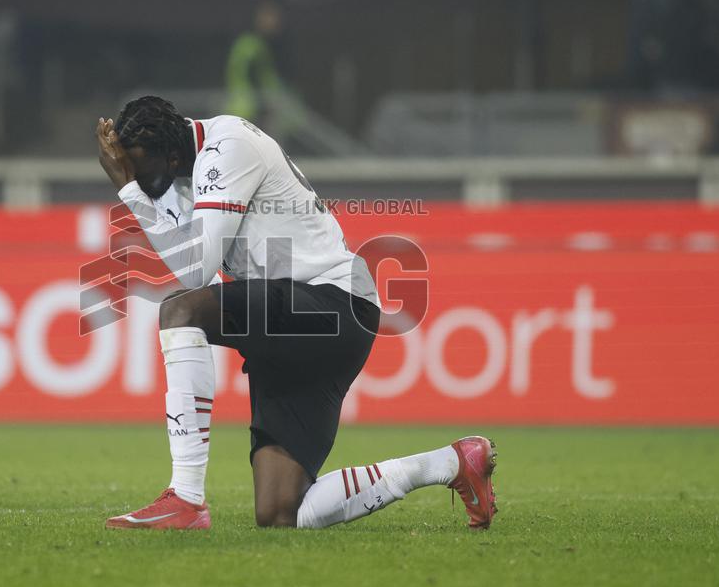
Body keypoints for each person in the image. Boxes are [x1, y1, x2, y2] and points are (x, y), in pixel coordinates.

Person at [95, 96, 497, 530]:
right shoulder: (184, 170)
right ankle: (450, 463)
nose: (135, 176)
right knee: (281, 512)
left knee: (180, 312)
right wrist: (139, 186)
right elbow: (187, 257)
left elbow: (195, 272)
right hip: (294, 320)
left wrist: (127, 191)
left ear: (172, 157)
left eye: (139, 168)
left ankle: (186, 497)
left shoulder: (227, 147)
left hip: (330, 305)